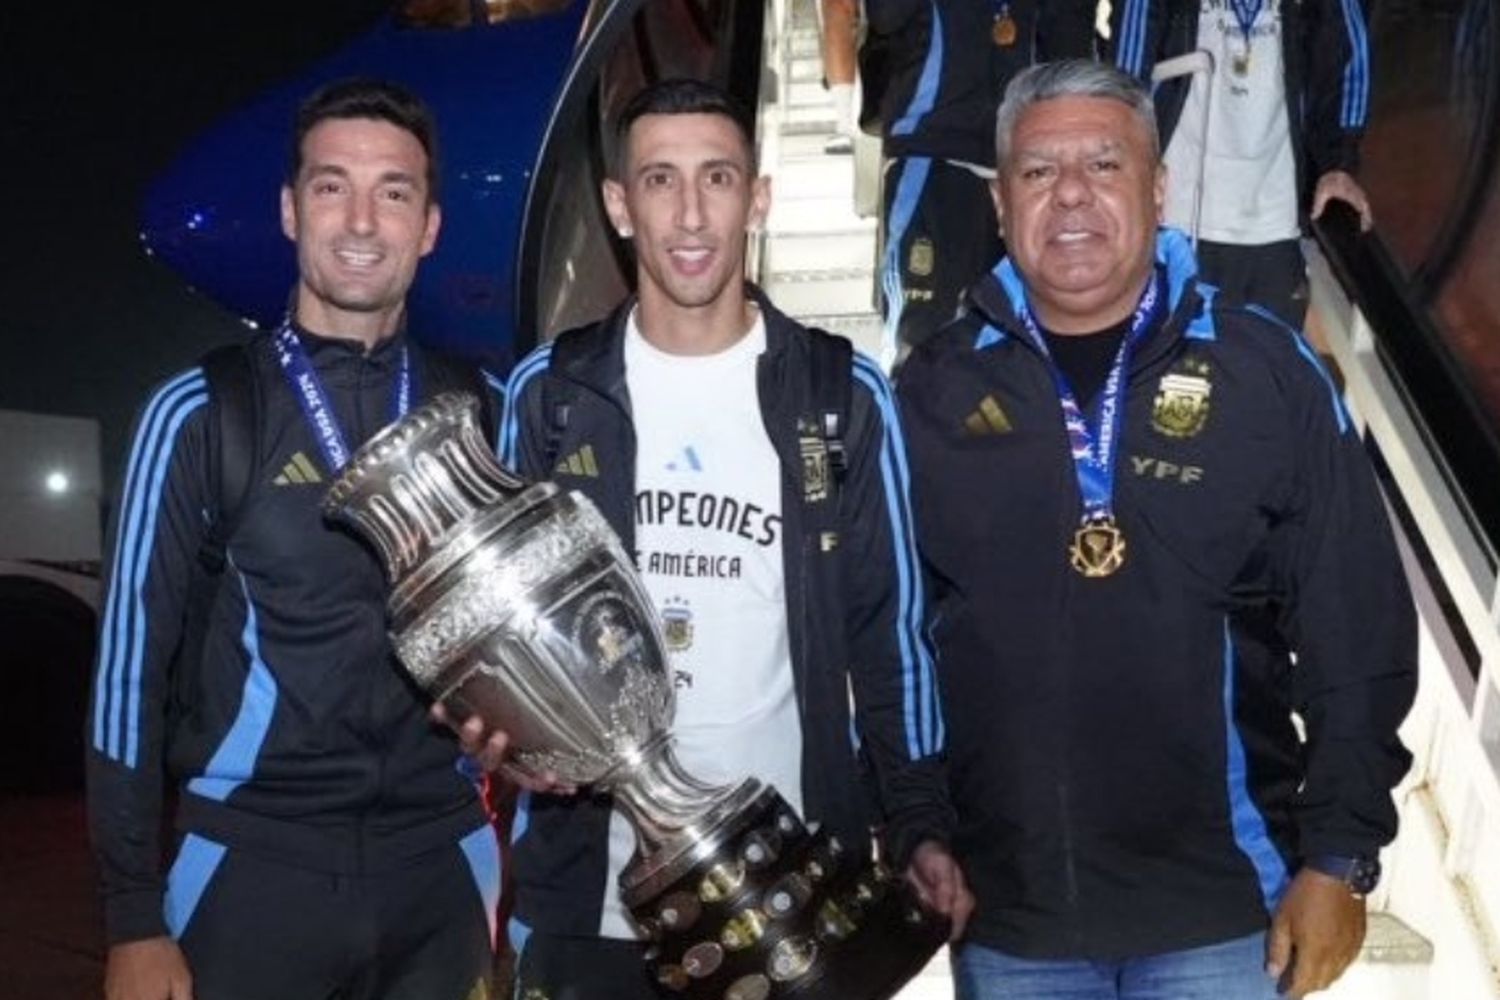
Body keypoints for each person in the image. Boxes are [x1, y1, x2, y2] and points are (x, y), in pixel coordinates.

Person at [896, 60, 1416, 1000]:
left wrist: (1340, 858)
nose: (1072, 197)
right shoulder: (929, 392)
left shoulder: (1267, 374)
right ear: (1002, 202)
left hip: (1221, 912)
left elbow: (1355, 624)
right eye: (1039, 171)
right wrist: (919, 827)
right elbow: (896, 644)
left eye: (1104, 164)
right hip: (1010, 917)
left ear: (1160, 188)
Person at [497, 78, 970, 998]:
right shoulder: (550, 399)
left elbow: (892, 634)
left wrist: (919, 821)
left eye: (717, 178)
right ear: (618, 206)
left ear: (758, 198)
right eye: (660, 180)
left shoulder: (840, 395)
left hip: (787, 898)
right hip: (591, 901)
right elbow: (504, 641)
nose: (689, 213)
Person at [88, 78, 505, 1000]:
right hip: (251, 869)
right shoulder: (201, 412)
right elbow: (128, 681)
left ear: (429, 225)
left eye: (393, 192)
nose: (361, 220)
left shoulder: (482, 410)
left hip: (442, 867)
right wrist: (132, 916)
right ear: (290, 210)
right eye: (331, 187)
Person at [1110, 0, 1375, 327]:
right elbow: (1124, 77)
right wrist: (1129, 165)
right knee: (1166, 367)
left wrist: (1339, 162)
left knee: (1268, 368)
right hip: (1178, 216)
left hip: (1272, 221)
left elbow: (1347, 55)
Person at [860, 0, 1095, 363]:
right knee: (921, 334)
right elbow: (885, 15)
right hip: (931, 152)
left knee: (1015, 340)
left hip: (1020, 165)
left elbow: (1069, 46)